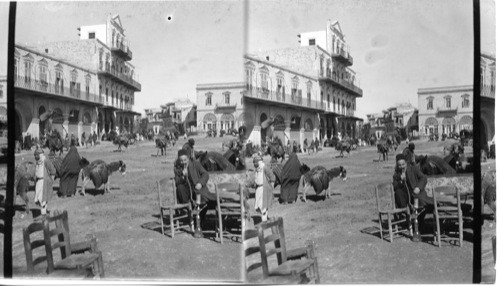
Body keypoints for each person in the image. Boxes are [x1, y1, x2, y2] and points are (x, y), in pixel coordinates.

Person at [392, 153, 433, 238]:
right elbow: (395, 187)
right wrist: (400, 180)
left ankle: (419, 225)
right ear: (397, 165)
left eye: (403, 164)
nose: (402, 167)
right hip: (405, 199)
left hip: (416, 195)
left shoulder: (413, 169)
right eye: (399, 165)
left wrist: (418, 187)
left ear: (406, 163)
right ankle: (414, 226)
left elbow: (424, 178)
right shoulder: (396, 175)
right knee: (408, 204)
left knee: (424, 205)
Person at [177, 149, 216, 226]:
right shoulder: (177, 168)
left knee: (204, 201)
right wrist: (183, 176)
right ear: (179, 161)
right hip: (187, 192)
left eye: (185, 160)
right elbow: (177, 182)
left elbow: (205, 174)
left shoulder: (195, 164)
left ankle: (199, 222)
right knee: (180, 188)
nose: (183, 162)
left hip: (198, 190)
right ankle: (190, 212)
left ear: (188, 158)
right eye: (181, 161)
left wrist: (200, 183)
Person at [34, 147, 56, 220]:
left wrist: (51, 180)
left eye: (37, 155)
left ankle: (43, 214)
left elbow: (52, 170)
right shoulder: (38, 162)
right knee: (40, 198)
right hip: (38, 182)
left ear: (40, 155)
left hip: (44, 182)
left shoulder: (46, 161)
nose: (36, 157)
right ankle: (44, 212)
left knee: (42, 198)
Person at [251, 154, 274, 222]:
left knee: (263, 205)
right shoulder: (257, 169)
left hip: (264, 188)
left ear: (258, 162)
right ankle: (265, 218)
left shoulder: (264, 167)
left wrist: (271, 185)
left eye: (255, 162)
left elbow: (271, 176)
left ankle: (264, 220)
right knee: (259, 205)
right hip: (258, 189)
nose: (254, 164)